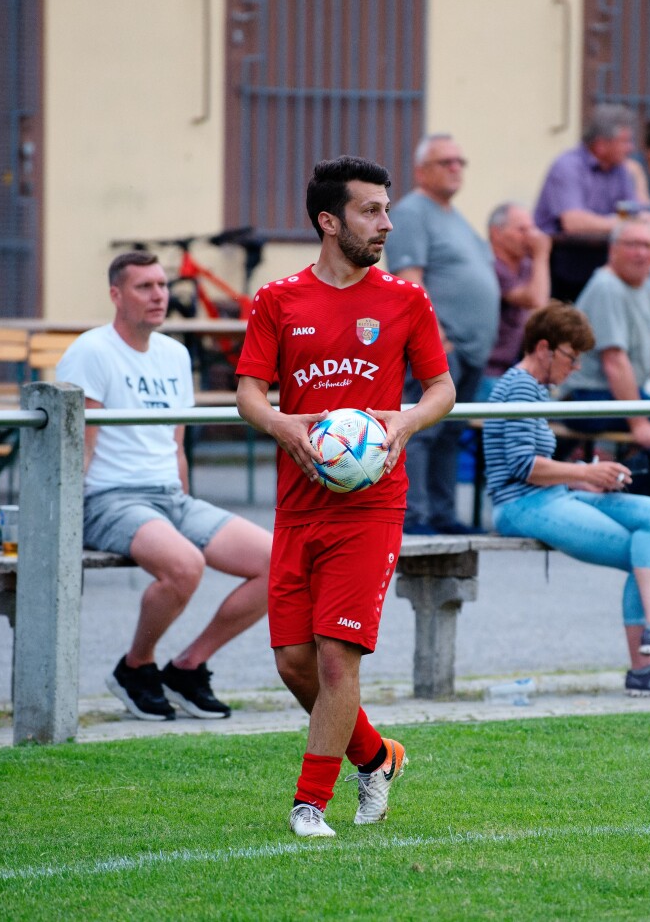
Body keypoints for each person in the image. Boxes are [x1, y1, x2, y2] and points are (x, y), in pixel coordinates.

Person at [236, 156, 454, 839]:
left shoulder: (406, 301)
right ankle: (376, 755)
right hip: (298, 502)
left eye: (386, 210)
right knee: (294, 662)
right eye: (370, 211)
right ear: (329, 222)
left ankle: (309, 805)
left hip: (373, 504)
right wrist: (280, 425)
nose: (386, 223)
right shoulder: (278, 300)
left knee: (336, 657)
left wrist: (406, 419)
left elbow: (441, 389)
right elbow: (248, 392)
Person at [56, 252, 272, 722]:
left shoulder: (174, 353)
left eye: (161, 285)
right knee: (185, 566)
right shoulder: (91, 351)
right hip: (110, 499)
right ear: (116, 295)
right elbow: (78, 448)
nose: (159, 296)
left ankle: (187, 668)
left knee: (279, 562)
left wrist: (185, 502)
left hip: (169, 498)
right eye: (144, 287)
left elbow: (176, 444)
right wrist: (67, 518)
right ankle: (136, 666)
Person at [483, 301, 650, 696]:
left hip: (551, 496)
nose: (576, 366)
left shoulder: (532, 388)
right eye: (572, 356)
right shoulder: (518, 387)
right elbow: (522, 467)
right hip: (521, 505)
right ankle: (646, 662)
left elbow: (536, 465)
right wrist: (584, 472)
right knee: (645, 551)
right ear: (544, 348)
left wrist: (586, 481)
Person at [385, 133, 500, 534]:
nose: (455, 167)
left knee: (451, 430)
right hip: (440, 345)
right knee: (422, 429)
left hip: (468, 349)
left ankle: (442, 513)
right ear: (420, 171)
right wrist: (435, 340)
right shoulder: (413, 213)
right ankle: (414, 514)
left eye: (459, 161)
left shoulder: (454, 216)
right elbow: (409, 282)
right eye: (445, 161)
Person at [563, 214, 650, 498]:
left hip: (618, 393)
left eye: (648, 246)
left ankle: (623, 496)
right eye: (632, 245)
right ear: (613, 250)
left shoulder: (645, 284)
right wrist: (639, 423)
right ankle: (622, 502)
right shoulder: (607, 286)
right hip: (585, 397)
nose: (641, 253)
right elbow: (614, 362)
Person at [534, 104, 650, 303]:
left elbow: (637, 215)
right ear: (600, 145)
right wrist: (620, 223)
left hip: (599, 264)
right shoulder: (568, 166)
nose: (630, 148)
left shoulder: (620, 170)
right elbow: (573, 223)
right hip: (560, 267)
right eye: (624, 141)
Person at [477, 202, 552, 400]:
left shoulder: (526, 265)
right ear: (496, 233)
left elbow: (541, 312)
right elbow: (536, 300)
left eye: (532, 229)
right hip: (484, 372)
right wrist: (542, 255)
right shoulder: (489, 264)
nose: (530, 237)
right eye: (522, 230)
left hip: (512, 367)